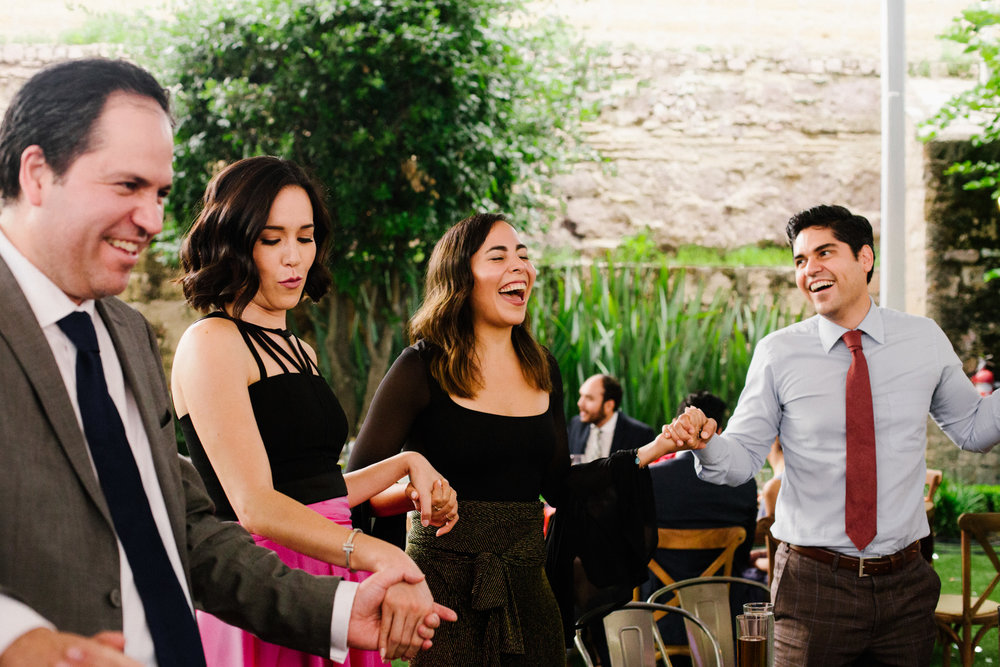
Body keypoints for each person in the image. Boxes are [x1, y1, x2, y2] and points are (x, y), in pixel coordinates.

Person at [0, 57, 452, 666]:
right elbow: (252, 505)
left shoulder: (129, 334)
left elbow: (192, 532)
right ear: (36, 174)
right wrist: (18, 639)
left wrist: (342, 611)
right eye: (127, 186)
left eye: (160, 193)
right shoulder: (208, 341)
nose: (153, 220)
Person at [661, 204, 1000, 666]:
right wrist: (707, 444)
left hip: (907, 585)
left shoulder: (924, 339)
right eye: (800, 260)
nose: (810, 270)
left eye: (825, 252)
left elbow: (974, 430)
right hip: (813, 587)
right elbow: (740, 460)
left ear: (865, 258)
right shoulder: (778, 353)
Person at [345, 213, 681, 666]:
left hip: (530, 594)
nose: (520, 266)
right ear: (460, 277)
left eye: (523, 255)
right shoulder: (420, 367)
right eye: (499, 256)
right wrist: (414, 492)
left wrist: (651, 450)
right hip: (438, 595)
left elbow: (560, 486)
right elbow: (356, 489)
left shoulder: (543, 368)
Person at [170, 156, 459, 666]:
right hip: (267, 582)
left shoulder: (301, 348)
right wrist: (380, 552)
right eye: (271, 238)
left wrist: (406, 467)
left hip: (333, 568)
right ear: (234, 242)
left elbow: (315, 487)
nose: (293, 258)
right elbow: (255, 504)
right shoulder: (211, 342)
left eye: (304, 238)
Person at [644, 392, 759, 651]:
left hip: (658, 613)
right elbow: (744, 551)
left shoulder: (651, 479)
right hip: (722, 613)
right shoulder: (744, 483)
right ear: (719, 431)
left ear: (675, 423)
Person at [567, 374, 656, 463]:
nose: (580, 403)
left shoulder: (640, 434)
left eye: (589, 398)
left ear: (609, 405)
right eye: (581, 396)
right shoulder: (575, 425)